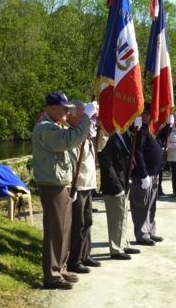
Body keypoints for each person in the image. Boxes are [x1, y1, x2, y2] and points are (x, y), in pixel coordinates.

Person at [32, 91, 97, 290]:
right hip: (52, 185)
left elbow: (73, 141)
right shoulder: (45, 128)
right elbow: (69, 140)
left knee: (65, 229)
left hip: (62, 184)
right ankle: (51, 275)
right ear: (52, 108)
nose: (67, 112)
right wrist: (85, 117)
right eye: (64, 108)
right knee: (55, 231)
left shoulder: (57, 126)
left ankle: (60, 269)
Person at [67, 100, 109, 274]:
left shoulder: (87, 133)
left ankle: (85, 254)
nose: (89, 119)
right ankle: (74, 260)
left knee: (88, 222)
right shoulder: (72, 134)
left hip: (89, 184)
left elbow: (100, 145)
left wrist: (102, 127)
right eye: (85, 115)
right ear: (76, 115)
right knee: (78, 224)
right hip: (78, 184)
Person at [98, 129, 141, 260]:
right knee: (116, 218)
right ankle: (116, 248)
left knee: (123, 216)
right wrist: (116, 186)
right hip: (113, 185)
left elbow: (128, 154)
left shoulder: (122, 133)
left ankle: (123, 243)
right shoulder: (106, 136)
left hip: (123, 180)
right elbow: (106, 164)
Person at [130, 102, 166, 246]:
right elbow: (137, 152)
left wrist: (167, 127)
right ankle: (141, 233)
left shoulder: (147, 129)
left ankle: (149, 230)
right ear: (143, 113)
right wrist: (144, 173)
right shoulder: (138, 130)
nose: (153, 116)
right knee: (141, 205)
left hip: (154, 174)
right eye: (150, 113)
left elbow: (157, 142)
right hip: (143, 175)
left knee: (151, 205)